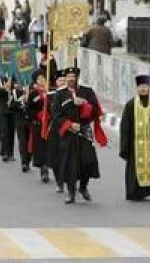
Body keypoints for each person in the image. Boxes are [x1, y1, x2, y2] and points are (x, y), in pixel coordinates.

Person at [52, 67, 108, 204]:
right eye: (69, 76)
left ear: (77, 77)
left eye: (73, 76)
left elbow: (96, 110)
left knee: (87, 161)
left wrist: (84, 105)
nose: (71, 79)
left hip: (84, 132)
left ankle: (83, 186)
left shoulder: (87, 92)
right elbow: (56, 114)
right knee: (70, 164)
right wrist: (69, 124)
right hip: (69, 133)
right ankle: (71, 193)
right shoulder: (60, 94)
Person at [25, 70, 51, 182]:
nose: (41, 81)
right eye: (39, 79)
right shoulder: (33, 94)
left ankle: (51, 167)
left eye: (43, 78)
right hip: (38, 125)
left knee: (49, 148)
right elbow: (28, 110)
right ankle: (43, 170)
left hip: (49, 125)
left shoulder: (51, 93)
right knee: (40, 149)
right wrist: (38, 114)